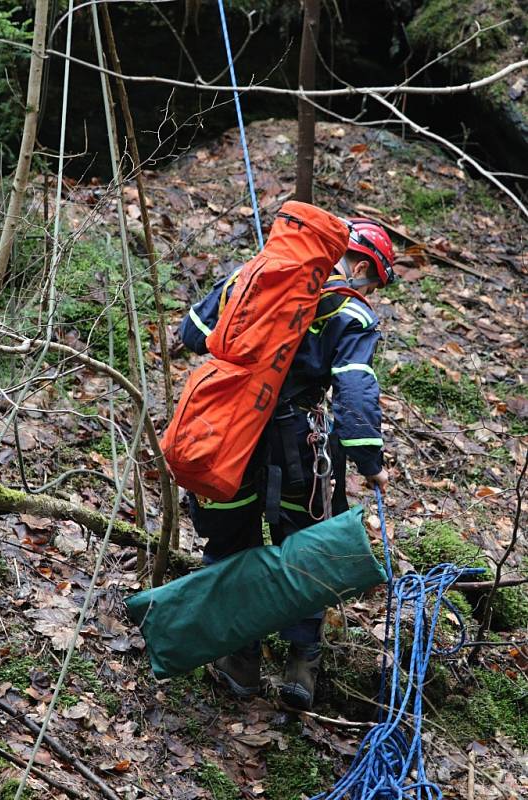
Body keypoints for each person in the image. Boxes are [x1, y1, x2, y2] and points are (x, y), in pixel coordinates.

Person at [179, 216, 395, 710]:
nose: (373, 294)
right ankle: (301, 666)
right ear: (360, 263)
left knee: (231, 538)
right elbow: (355, 386)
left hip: (226, 432)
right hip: (297, 445)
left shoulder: (254, 275)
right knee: (306, 545)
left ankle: (240, 661)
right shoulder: (350, 313)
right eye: (375, 283)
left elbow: (192, 332)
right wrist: (369, 461)